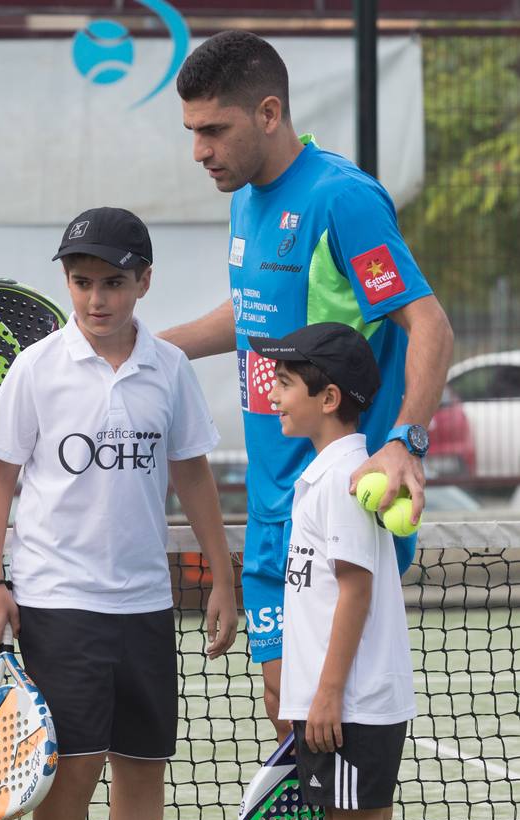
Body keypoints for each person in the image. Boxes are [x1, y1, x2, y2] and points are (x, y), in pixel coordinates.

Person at [159, 30, 452, 740]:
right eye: (191, 132)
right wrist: (144, 349)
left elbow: (430, 326)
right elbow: (255, 314)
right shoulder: (244, 199)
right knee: (287, 716)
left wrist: (403, 444)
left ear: (267, 113)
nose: (199, 151)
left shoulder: (340, 200)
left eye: (213, 131)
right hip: (269, 511)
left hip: (337, 508)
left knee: (328, 731)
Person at [0, 207, 238, 820]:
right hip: (58, 602)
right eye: (81, 280)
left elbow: (191, 472)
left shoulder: (171, 368)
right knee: (71, 769)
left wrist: (221, 577)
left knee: (143, 766)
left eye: (113, 282)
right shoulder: (35, 369)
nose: (96, 298)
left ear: (143, 282)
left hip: (146, 604)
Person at [251, 322, 415, 820]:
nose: (273, 394)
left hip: (350, 706)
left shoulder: (347, 480)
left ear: (328, 399)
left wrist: (326, 695)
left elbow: (355, 592)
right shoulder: (327, 474)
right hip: (344, 705)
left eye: (287, 382)